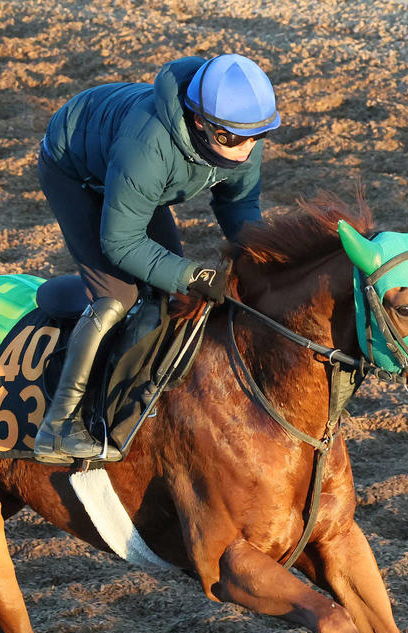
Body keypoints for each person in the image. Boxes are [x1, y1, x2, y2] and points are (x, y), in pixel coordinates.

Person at [32, 53, 282, 463]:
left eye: (258, 137)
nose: (246, 151)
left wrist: (262, 259)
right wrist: (194, 275)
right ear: (200, 122)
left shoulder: (240, 136)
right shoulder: (149, 145)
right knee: (118, 296)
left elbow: (239, 206)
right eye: (234, 139)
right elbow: (122, 243)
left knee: (162, 290)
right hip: (75, 171)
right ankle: (58, 426)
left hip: (134, 181)